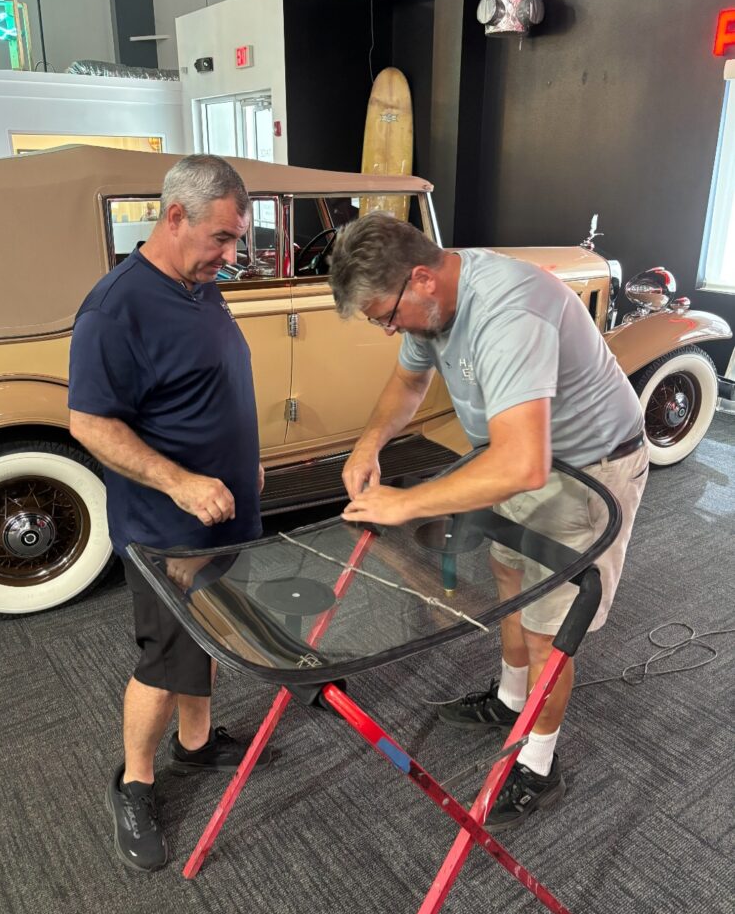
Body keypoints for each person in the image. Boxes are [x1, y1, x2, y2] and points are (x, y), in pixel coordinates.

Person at [328, 212, 649, 831]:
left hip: (586, 470)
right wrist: (368, 445)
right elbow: (408, 380)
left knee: (548, 630)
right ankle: (509, 702)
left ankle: (539, 764)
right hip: (517, 459)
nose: (389, 328)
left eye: (386, 315)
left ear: (421, 277)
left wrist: (406, 502)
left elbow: (525, 464)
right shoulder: (431, 301)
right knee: (509, 585)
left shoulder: (509, 311)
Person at [68, 154, 270, 873]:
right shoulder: (114, 307)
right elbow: (91, 424)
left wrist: (242, 460)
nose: (231, 254)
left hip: (221, 513)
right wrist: (181, 481)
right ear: (174, 216)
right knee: (163, 659)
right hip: (165, 529)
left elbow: (203, 386)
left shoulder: (196, 284)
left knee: (206, 640)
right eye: (221, 238)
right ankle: (134, 783)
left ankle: (196, 745)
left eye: (236, 239)